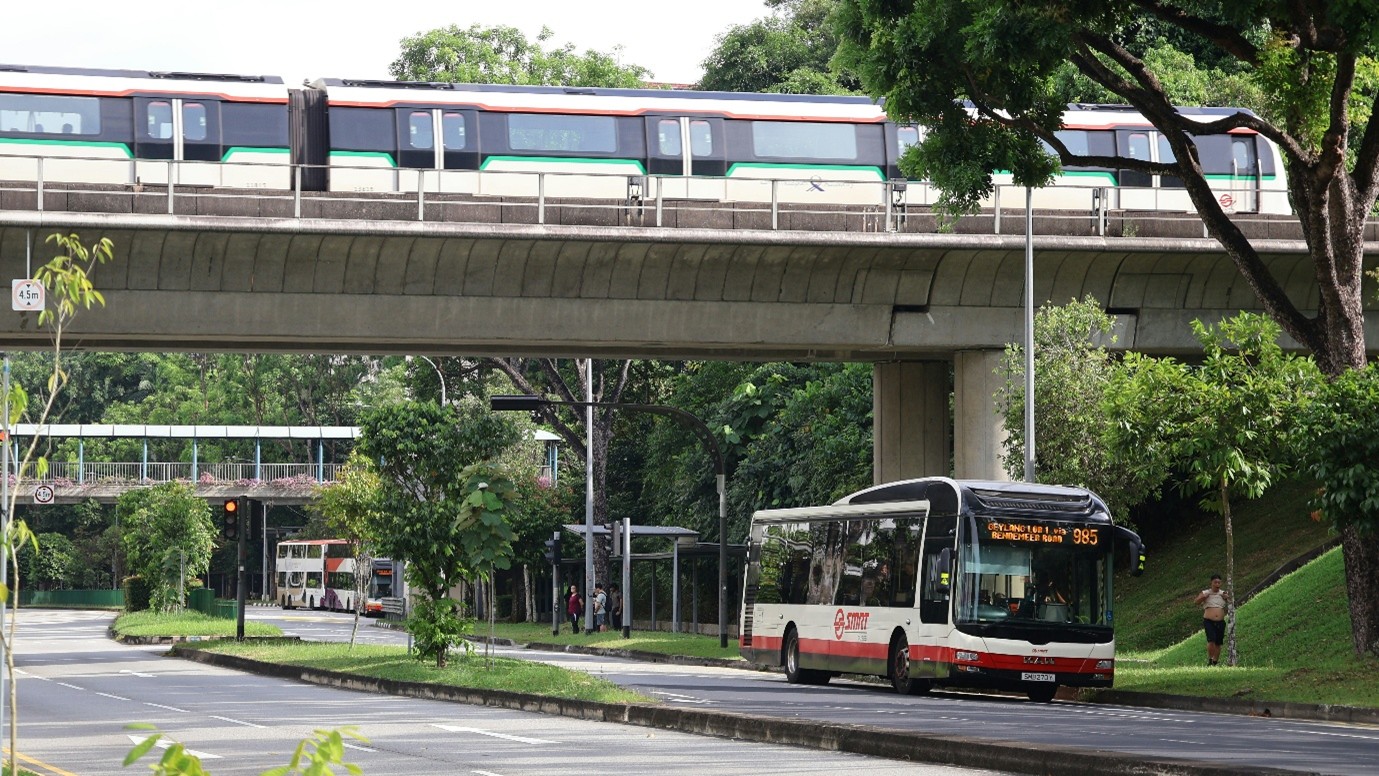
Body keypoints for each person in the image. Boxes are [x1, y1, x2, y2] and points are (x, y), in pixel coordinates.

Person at [1194, 574, 1229, 666]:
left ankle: (1215, 661)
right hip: (1209, 620)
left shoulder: (1223, 593)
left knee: (1218, 642)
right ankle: (1210, 659)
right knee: (1211, 640)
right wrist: (1203, 597)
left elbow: (1230, 601)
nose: (1217, 584)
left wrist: (1227, 598)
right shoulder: (1205, 592)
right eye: (1215, 582)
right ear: (1211, 583)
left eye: (1219, 582)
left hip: (1220, 621)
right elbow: (1196, 602)